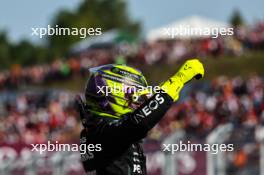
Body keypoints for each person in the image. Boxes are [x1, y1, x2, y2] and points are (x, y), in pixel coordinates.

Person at [75, 59, 204, 175]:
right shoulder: (101, 130)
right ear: (114, 94)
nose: (139, 104)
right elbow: (138, 124)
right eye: (133, 96)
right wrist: (178, 80)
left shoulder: (96, 128)